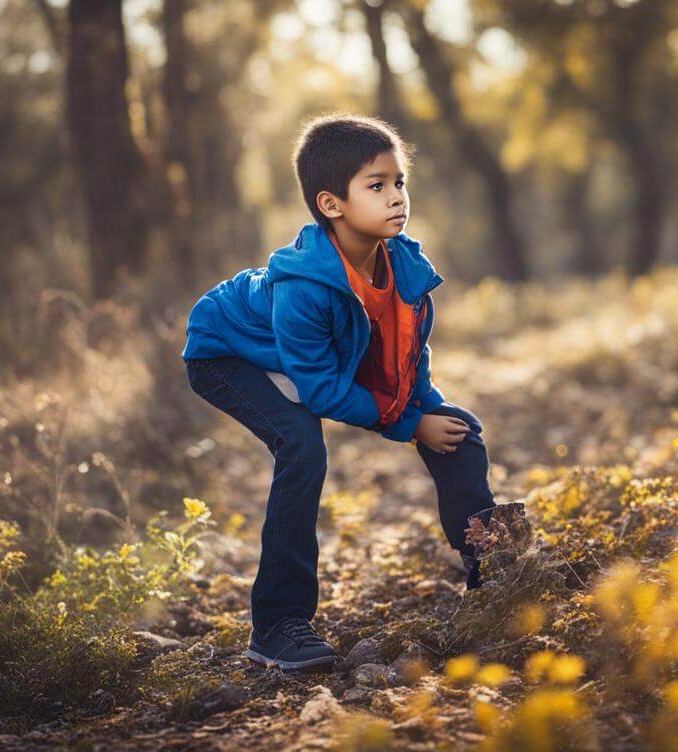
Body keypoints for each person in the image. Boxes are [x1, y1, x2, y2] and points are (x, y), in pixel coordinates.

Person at [181, 113, 498, 672]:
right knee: (302, 445)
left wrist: (426, 411)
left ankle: (492, 569)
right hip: (227, 353)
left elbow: (407, 354)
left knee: (458, 428)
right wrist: (406, 424)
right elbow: (323, 390)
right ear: (332, 205)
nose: (397, 197)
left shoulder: (404, 263)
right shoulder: (304, 287)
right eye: (376, 186)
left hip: (303, 361)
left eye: (399, 182)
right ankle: (278, 626)